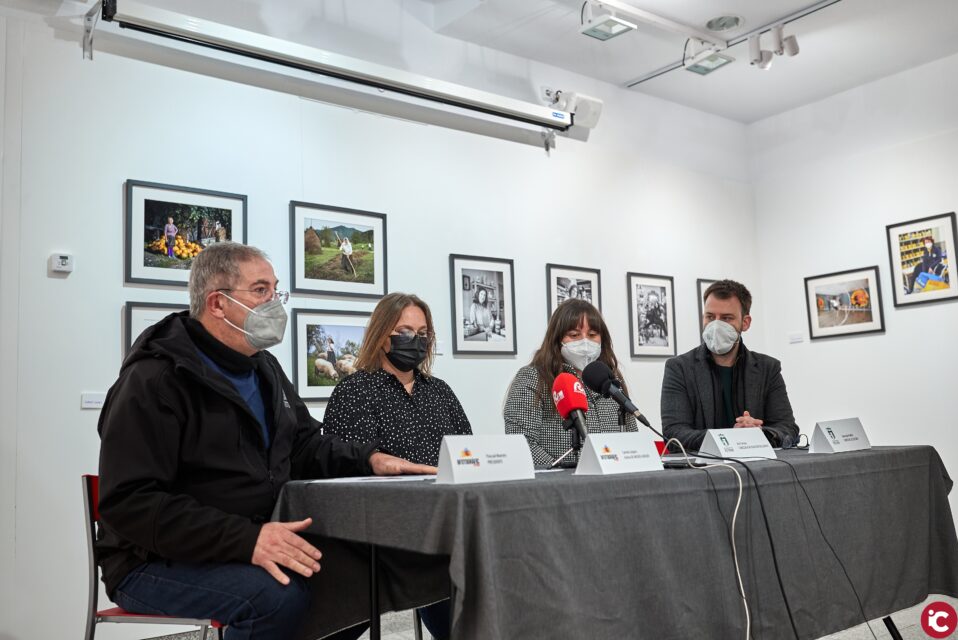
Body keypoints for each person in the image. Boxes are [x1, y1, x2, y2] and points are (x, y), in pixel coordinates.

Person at [97, 243, 434, 640]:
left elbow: (306, 445)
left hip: (246, 539)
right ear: (217, 303)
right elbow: (130, 502)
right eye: (260, 291)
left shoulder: (264, 369)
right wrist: (249, 540)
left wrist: (371, 459)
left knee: (364, 577)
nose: (273, 303)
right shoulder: (155, 380)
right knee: (276, 597)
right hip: (152, 560)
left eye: (275, 291)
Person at [324, 292, 471, 639]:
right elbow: (347, 472)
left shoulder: (440, 392)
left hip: (444, 532)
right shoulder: (354, 391)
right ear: (382, 334)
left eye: (422, 334)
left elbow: (468, 454)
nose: (414, 341)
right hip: (381, 536)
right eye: (405, 331)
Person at [660, 279, 799, 451]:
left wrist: (760, 434)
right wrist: (731, 437)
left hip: (760, 468)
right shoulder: (679, 368)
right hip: (703, 470)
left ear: (745, 322)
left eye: (726, 318)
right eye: (710, 317)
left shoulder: (768, 368)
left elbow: (788, 428)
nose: (716, 325)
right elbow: (673, 434)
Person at [504, 299, 637, 467]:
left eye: (592, 335)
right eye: (574, 335)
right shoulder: (532, 377)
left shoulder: (610, 380)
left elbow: (631, 439)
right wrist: (564, 476)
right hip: (560, 486)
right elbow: (522, 443)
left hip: (613, 482)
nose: (585, 342)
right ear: (557, 339)